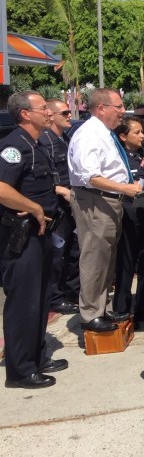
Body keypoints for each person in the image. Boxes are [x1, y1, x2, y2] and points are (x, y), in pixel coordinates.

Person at [0, 91, 68, 389]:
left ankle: (37, 356)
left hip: (42, 234)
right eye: (43, 108)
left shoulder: (37, 144)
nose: (49, 113)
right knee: (23, 303)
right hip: (22, 235)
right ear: (25, 114)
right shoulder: (14, 146)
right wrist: (35, 208)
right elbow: (2, 188)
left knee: (40, 299)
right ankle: (20, 370)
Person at [68, 88, 142, 332]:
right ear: (101, 108)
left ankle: (100, 309)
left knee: (106, 260)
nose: (123, 111)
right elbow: (90, 176)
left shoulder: (105, 133)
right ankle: (90, 315)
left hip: (110, 200)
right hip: (95, 200)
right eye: (118, 107)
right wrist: (125, 187)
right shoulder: (89, 134)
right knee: (95, 259)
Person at [112, 116, 144, 328]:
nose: (142, 136)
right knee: (126, 263)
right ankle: (122, 309)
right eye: (137, 133)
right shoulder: (118, 158)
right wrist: (143, 184)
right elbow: (126, 183)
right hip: (129, 214)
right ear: (123, 136)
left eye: (142, 132)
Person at [42, 98, 81, 315]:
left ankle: (71, 290)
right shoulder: (45, 142)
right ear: (51, 115)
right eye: (64, 113)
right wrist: (61, 190)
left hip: (71, 204)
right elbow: (45, 177)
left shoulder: (65, 138)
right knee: (58, 254)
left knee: (73, 249)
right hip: (56, 206)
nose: (69, 116)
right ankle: (55, 297)